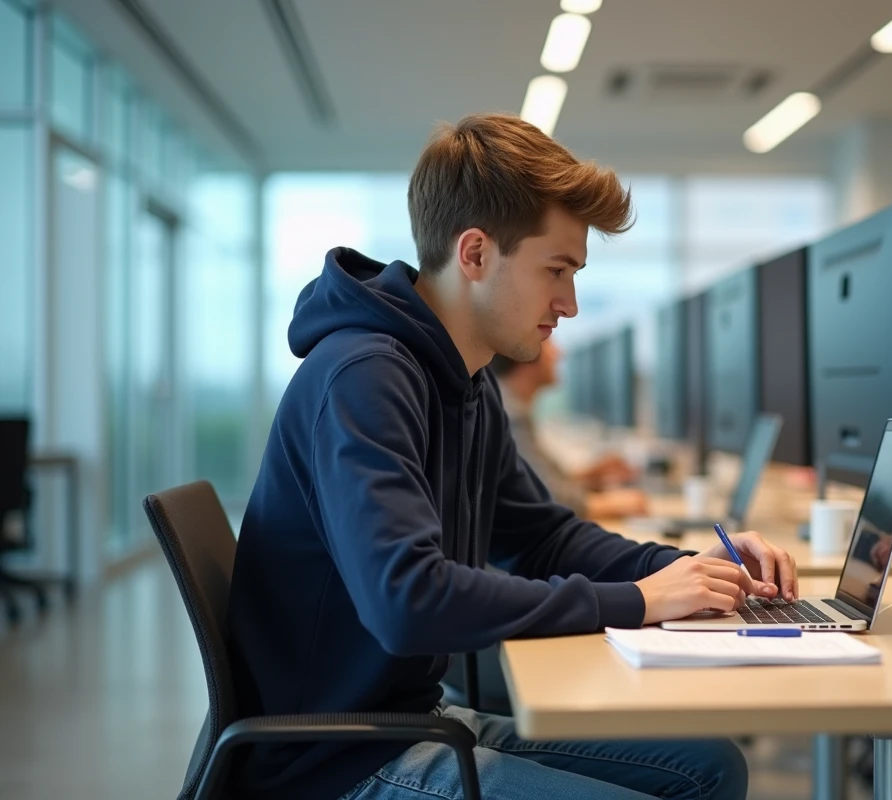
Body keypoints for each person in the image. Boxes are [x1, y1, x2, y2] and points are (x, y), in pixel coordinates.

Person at [227, 113, 798, 800]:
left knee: (711, 766)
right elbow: (406, 601)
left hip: (415, 718)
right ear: (474, 254)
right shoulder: (365, 376)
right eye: (556, 270)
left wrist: (685, 569)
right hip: (339, 758)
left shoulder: (466, 381)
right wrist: (637, 600)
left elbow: (541, 536)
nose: (571, 304)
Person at [490, 340, 649, 519]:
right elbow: (543, 501)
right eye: (549, 344)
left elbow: (536, 482)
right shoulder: (508, 416)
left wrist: (588, 475)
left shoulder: (510, 409)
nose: (559, 353)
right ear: (524, 353)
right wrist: (610, 504)